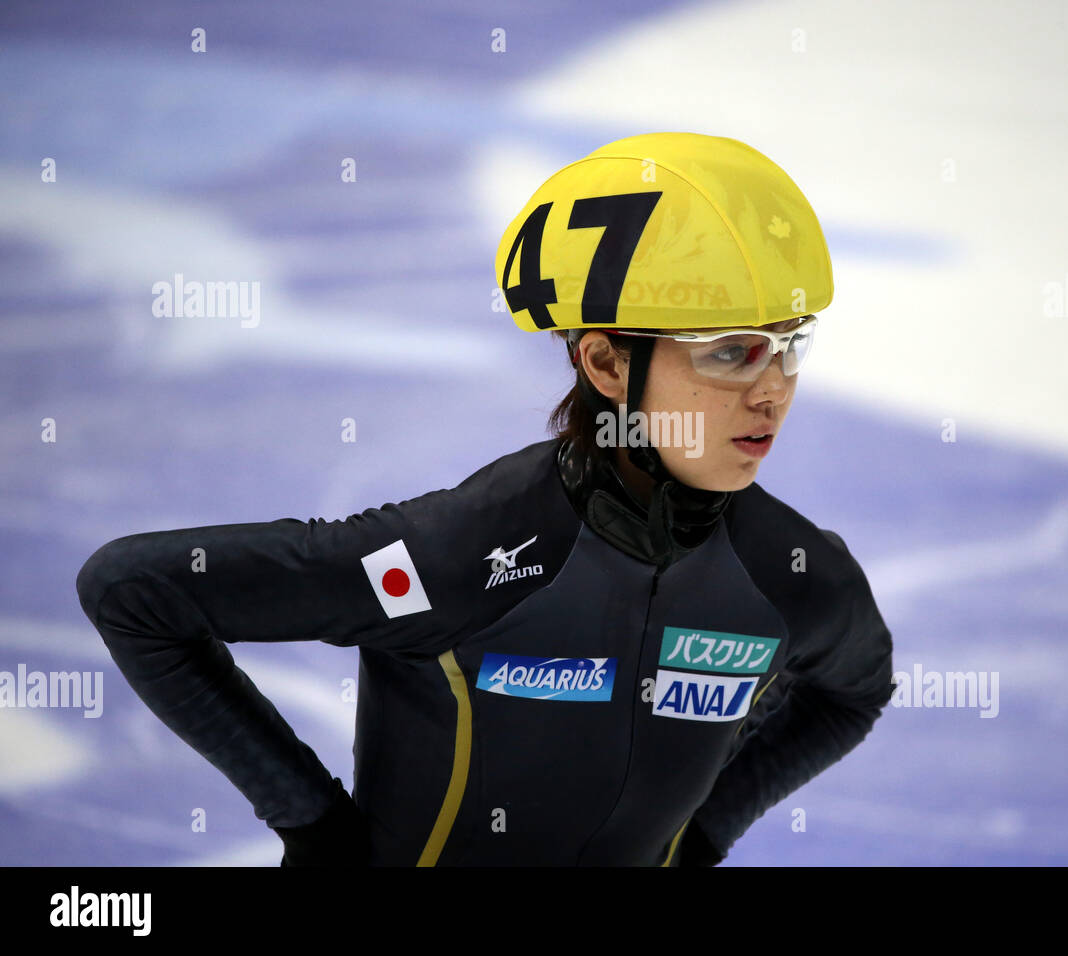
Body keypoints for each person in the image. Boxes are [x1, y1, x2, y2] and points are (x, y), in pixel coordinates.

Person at [74, 131, 895, 866]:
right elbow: (136, 593)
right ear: (607, 366)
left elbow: (854, 690)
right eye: (731, 353)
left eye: (793, 344)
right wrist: (317, 828)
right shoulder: (470, 549)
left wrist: (705, 830)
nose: (774, 390)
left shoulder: (790, 574)